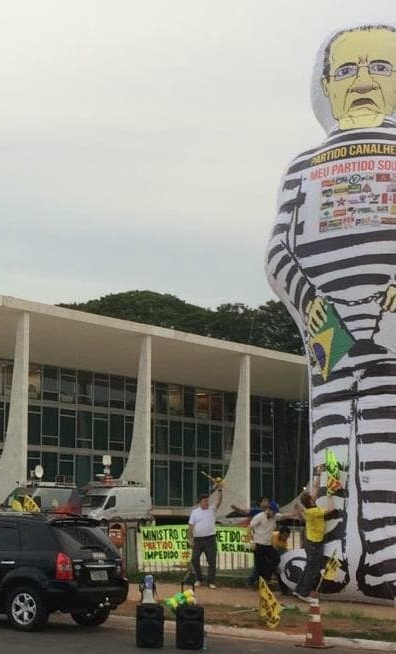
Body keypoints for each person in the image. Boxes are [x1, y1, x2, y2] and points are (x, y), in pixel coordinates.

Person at [265, 24, 396, 602]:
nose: (363, 81)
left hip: (391, 322)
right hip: (328, 328)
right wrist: (315, 305)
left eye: (380, 68)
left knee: (386, 436)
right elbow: (277, 252)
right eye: (346, 70)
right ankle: (335, 556)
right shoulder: (302, 166)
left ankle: (386, 558)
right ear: (325, 85)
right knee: (332, 446)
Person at [294, 465, 337, 602]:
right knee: (313, 569)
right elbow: (331, 509)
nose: (314, 496)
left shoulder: (309, 508)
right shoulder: (314, 512)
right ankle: (304, 594)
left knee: (309, 567)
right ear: (310, 501)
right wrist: (330, 493)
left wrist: (318, 474)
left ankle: (299, 590)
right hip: (314, 543)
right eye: (312, 497)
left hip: (311, 540)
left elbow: (316, 488)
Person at [188, 486, 222, 589]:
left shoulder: (212, 510)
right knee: (194, 559)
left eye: (207, 501)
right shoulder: (195, 512)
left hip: (210, 539)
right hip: (198, 540)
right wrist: (190, 538)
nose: (207, 503)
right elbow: (190, 526)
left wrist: (220, 490)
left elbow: (219, 501)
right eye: (205, 501)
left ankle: (211, 582)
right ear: (200, 502)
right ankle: (199, 578)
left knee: (212, 561)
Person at [248, 500, 283, 589]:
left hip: (267, 544)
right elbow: (249, 528)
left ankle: (266, 578)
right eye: (273, 512)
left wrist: (296, 512)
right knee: (260, 566)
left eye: (275, 513)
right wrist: (251, 542)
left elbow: (286, 516)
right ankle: (254, 582)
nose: (274, 514)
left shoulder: (275, 516)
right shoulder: (259, 517)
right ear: (269, 510)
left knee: (276, 559)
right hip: (258, 544)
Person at [272, 525, 292, 595]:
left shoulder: (284, 542)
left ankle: (285, 590)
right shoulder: (273, 537)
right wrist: (276, 565)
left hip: (274, 555)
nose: (287, 538)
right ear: (281, 534)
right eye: (286, 536)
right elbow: (272, 553)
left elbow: (284, 553)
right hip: (266, 553)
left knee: (280, 571)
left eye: (288, 537)